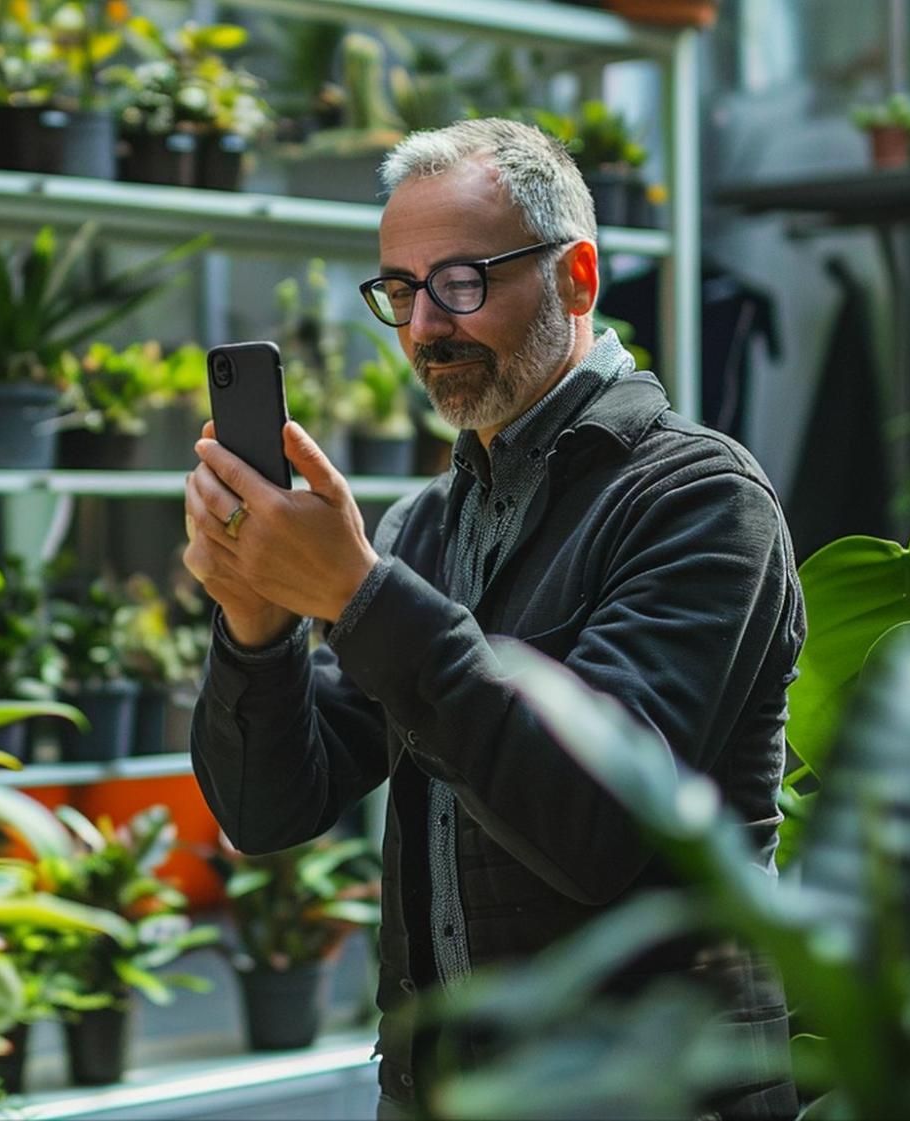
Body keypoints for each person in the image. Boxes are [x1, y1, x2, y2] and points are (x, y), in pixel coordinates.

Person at [182, 117, 802, 1119]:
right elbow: (268, 810)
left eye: (463, 281)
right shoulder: (425, 525)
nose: (426, 325)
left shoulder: (697, 498)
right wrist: (256, 623)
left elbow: (596, 822)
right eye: (401, 289)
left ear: (577, 279)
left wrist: (356, 595)